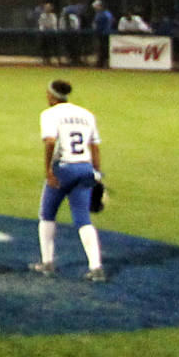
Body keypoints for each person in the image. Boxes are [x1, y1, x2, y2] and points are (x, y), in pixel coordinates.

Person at [33, 79, 107, 281]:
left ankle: (47, 263)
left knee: (47, 214)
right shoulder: (86, 114)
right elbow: (95, 146)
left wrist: (48, 170)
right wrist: (97, 174)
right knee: (83, 219)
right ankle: (96, 267)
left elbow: (50, 142)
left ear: (52, 96)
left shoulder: (49, 114)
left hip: (64, 169)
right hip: (85, 168)